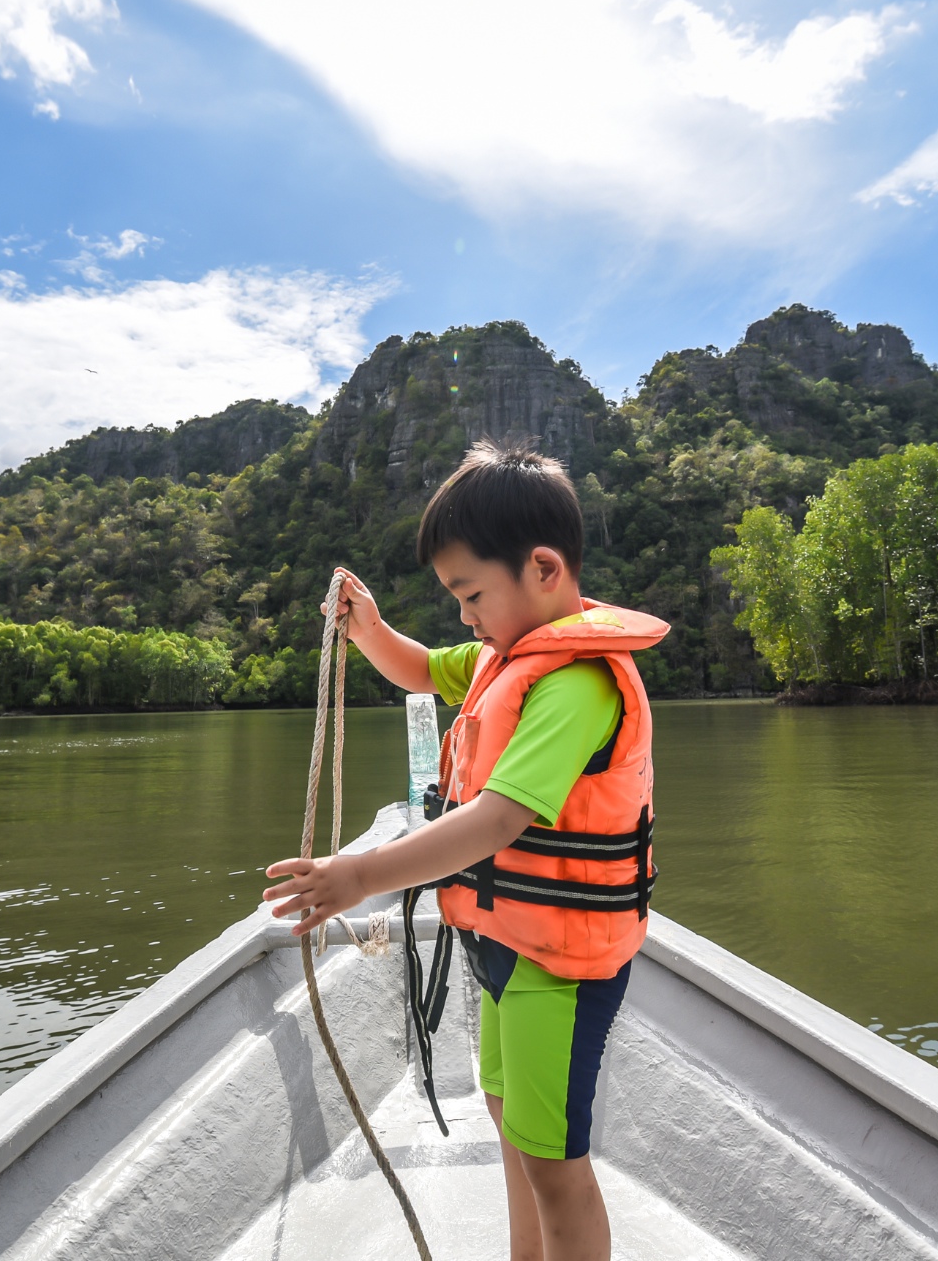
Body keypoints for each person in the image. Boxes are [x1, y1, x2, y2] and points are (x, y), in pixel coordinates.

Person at [263, 440, 667, 1261]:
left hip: (559, 968)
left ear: (544, 569)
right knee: (508, 1122)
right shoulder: (500, 657)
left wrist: (359, 875)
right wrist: (368, 625)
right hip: (503, 948)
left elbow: (495, 819)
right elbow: (416, 668)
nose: (463, 616)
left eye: (471, 593)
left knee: (556, 1164)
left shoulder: (576, 682)